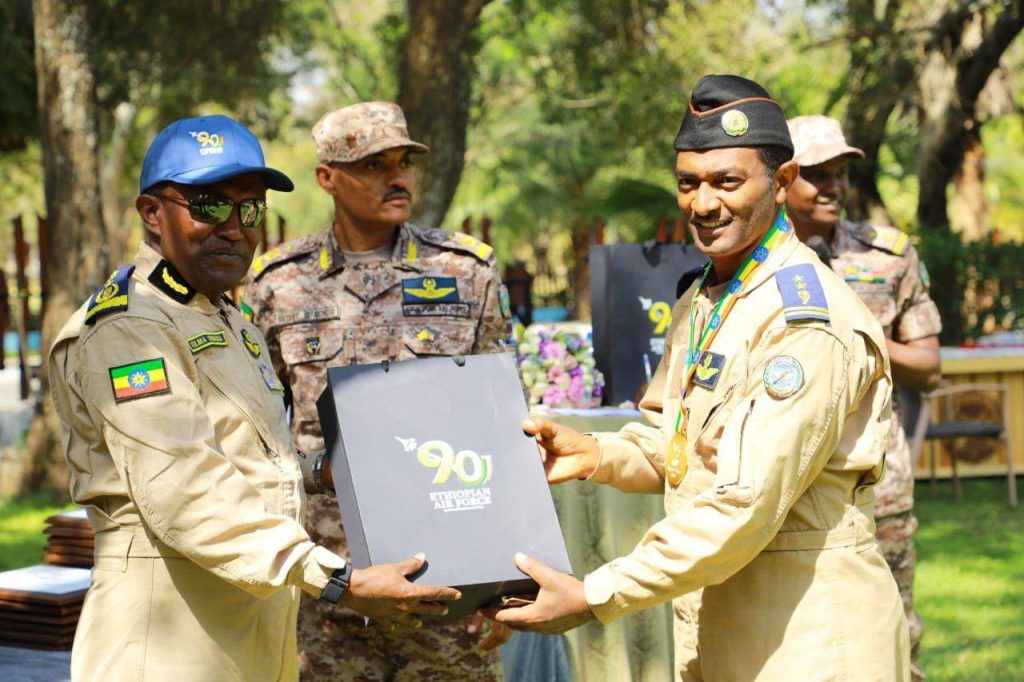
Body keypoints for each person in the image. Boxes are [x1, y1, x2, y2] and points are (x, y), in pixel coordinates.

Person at [490, 75, 911, 680]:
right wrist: (595, 453)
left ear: (783, 181)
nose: (703, 204)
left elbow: (745, 503)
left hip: (811, 637)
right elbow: (683, 449)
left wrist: (594, 594)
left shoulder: (803, 320)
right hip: (723, 622)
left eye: (727, 182)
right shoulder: (709, 298)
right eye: (688, 183)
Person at [48, 114, 461, 681]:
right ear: (152, 213)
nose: (234, 228)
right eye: (209, 206)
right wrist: (338, 581)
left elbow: (241, 455)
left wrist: (321, 471)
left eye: (249, 209)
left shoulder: (222, 316)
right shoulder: (130, 328)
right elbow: (184, 490)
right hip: (169, 636)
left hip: (252, 622)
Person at [243, 102, 511, 680]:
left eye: (403, 163)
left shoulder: (465, 271)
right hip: (329, 580)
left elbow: (502, 423)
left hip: (447, 574)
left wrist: (507, 575)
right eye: (372, 165)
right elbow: (255, 432)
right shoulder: (277, 284)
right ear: (327, 177)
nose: (396, 178)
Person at [786, 114, 941, 680]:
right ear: (783, 179)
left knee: (894, 636)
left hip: (875, 483)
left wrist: (862, 335)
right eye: (817, 174)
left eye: (840, 173)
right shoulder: (750, 261)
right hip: (782, 486)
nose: (833, 186)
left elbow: (928, 366)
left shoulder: (886, 256)